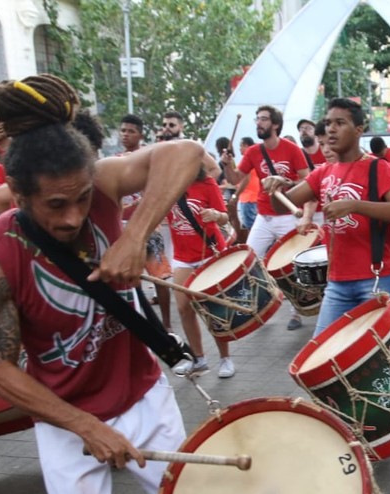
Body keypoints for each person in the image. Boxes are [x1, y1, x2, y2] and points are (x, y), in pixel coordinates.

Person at [0, 74, 224, 494]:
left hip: (142, 395)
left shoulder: (104, 183)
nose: (73, 216)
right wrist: (85, 426)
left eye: (82, 198)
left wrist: (133, 235)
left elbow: (187, 152)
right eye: (55, 205)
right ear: (18, 195)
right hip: (66, 419)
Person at [278, 98, 390, 335]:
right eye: (328, 123)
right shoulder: (323, 172)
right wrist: (275, 186)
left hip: (378, 279)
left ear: (359, 130)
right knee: (323, 350)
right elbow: (281, 205)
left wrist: (355, 206)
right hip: (337, 281)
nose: (331, 129)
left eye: (340, 123)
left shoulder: (379, 168)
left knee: (371, 352)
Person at [221, 105, 310, 330]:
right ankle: (262, 306)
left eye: (263, 119)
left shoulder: (292, 149)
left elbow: (307, 180)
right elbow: (234, 179)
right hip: (264, 217)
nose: (258, 123)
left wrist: (285, 182)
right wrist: (227, 164)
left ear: (275, 124)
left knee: (292, 265)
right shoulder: (253, 152)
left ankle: (296, 313)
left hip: (288, 215)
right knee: (250, 262)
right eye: (257, 119)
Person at [166, 169, 235, 378]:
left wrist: (216, 215)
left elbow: (225, 217)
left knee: (213, 308)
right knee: (183, 307)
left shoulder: (206, 183)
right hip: (183, 256)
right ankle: (199, 360)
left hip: (209, 252)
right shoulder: (164, 183)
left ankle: (225, 358)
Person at [118, 114, 172, 330]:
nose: (125, 135)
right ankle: (141, 326)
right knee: (131, 278)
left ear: (140, 135)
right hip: (123, 229)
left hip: (149, 228)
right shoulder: (115, 162)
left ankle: (167, 326)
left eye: (131, 131)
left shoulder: (149, 160)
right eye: (123, 130)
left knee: (160, 278)